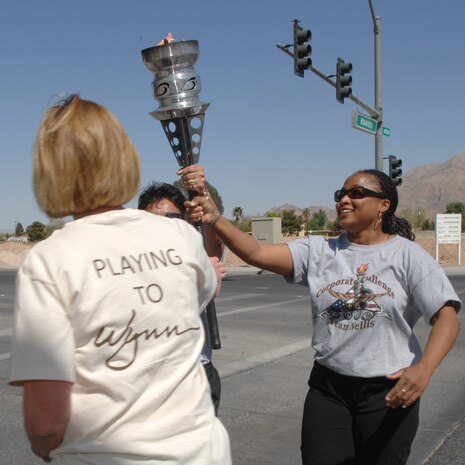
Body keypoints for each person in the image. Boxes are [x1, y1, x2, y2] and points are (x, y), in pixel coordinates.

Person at [8, 95, 231, 465]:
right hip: (201, 452)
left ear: (50, 167)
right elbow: (207, 289)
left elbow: (46, 422)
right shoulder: (179, 236)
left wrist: (44, 449)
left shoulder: (50, 259)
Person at [185, 167, 461, 465]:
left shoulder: (408, 255)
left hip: (389, 392)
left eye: (356, 193)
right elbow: (256, 253)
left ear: (384, 204)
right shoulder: (320, 251)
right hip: (329, 390)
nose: (344, 199)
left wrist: (424, 370)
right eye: (341, 194)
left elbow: (446, 316)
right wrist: (214, 218)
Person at [137, 177, 224, 414]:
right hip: (149, 379)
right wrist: (208, 282)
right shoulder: (130, 265)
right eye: (151, 220)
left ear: (185, 222)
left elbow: (215, 243)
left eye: (172, 219)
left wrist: (201, 191)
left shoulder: (195, 253)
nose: (162, 226)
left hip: (196, 375)